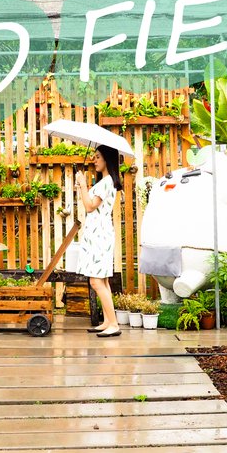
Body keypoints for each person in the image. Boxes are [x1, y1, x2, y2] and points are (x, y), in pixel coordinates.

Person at [74, 144, 123, 337]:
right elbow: (90, 203)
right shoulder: (105, 182)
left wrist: (84, 185)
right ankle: (109, 321)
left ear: (107, 160)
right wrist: (82, 187)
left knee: (95, 281)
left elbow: (89, 207)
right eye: (94, 156)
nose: (94, 160)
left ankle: (114, 325)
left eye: (98, 157)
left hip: (99, 234)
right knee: (102, 280)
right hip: (99, 232)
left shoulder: (107, 182)